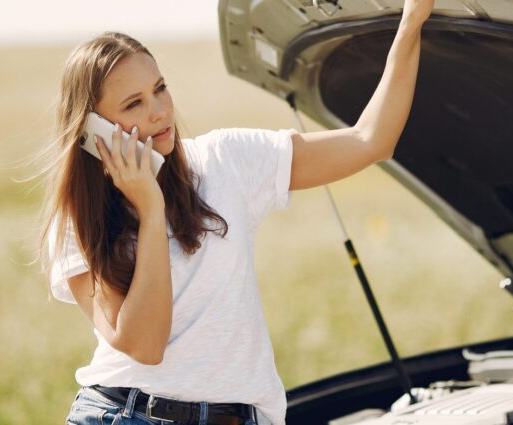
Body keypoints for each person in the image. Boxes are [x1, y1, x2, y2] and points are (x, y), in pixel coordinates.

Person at [40, 2, 433, 424]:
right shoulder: (76, 220)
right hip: (125, 413)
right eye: (133, 104)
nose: (158, 110)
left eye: (160, 88)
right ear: (92, 131)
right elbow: (145, 345)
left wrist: (412, 21)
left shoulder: (224, 160)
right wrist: (151, 210)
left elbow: (370, 141)